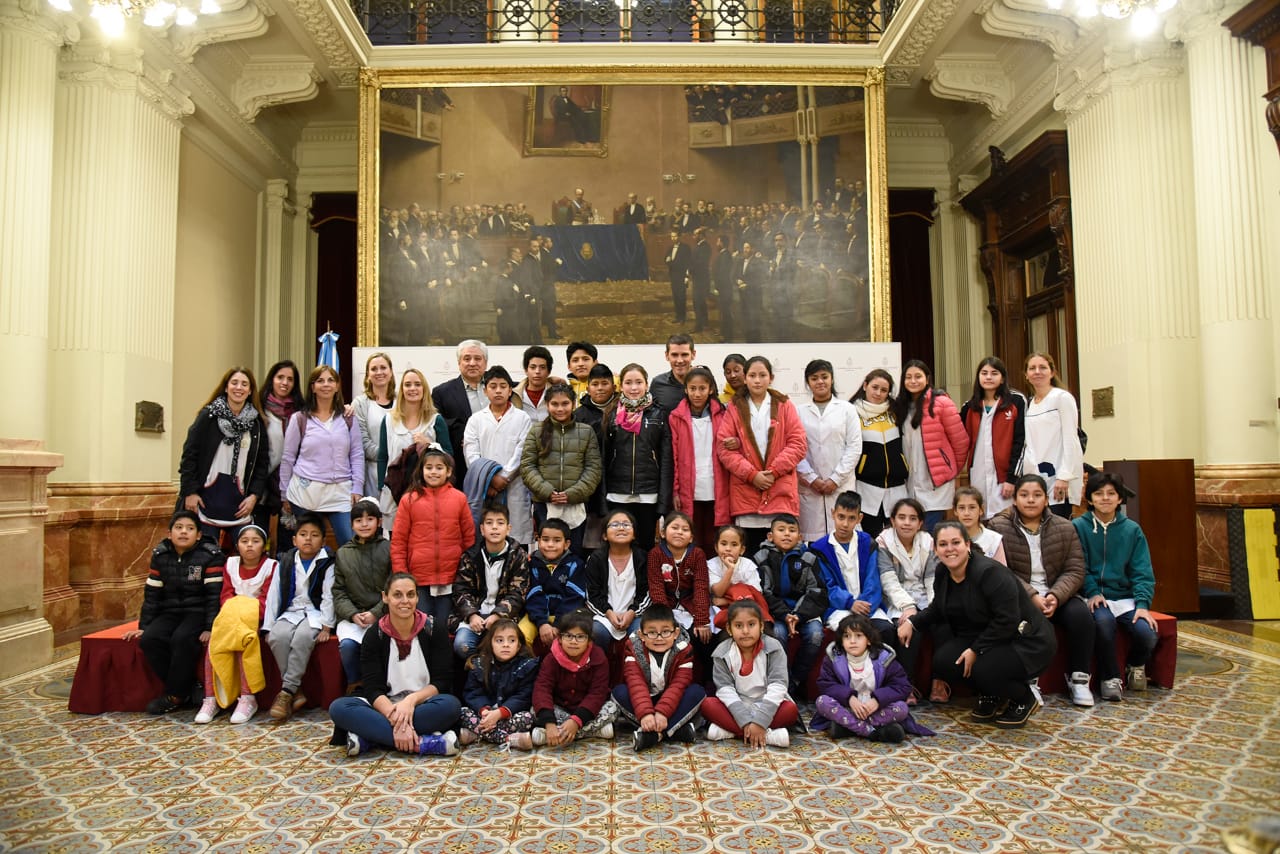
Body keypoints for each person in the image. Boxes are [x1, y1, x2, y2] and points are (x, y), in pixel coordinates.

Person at [898, 521, 1056, 728]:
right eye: (943, 544)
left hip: (1025, 640)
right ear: (935, 549)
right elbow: (938, 608)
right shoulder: (943, 573)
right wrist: (912, 622)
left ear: (968, 545)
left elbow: (1007, 620)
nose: (950, 549)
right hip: (987, 637)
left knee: (980, 666)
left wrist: (975, 649)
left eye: (956, 542)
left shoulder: (989, 572)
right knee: (945, 662)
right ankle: (992, 693)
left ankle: (1024, 697)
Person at [328, 572, 463, 757]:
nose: (405, 601)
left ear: (417, 597)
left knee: (451, 706)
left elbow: (442, 681)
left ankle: (371, 737)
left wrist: (410, 701)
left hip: (422, 703)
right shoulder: (374, 635)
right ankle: (423, 744)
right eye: (397, 595)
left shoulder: (434, 628)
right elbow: (372, 688)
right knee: (339, 708)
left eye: (410, 594)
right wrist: (396, 717)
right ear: (385, 597)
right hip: (386, 705)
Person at [989, 474, 1094, 706]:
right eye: (1024, 495)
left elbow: (1075, 569)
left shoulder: (1065, 527)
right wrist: (1032, 596)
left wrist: (1056, 595)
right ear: (1014, 500)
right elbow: (1002, 571)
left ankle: (1079, 679)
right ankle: (1029, 681)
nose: (1030, 500)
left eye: (1037, 495)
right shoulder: (998, 527)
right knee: (1024, 624)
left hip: (1058, 594)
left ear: (1046, 500)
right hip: (1020, 596)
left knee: (1082, 617)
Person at [122, 510, 225, 715]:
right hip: (169, 612)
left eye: (189, 528)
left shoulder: (210, 556)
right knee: (150, 639)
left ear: (198, 535)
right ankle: (187, 689)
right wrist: (144, 627)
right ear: (170, 534)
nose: (183, 532)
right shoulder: (160, 555)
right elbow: (152, 595)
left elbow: (214, 596)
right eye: (178, 528)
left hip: (198, 611)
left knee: (182, 639)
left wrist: (209, 627)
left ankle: (175, 695)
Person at [390, 447, 475, 689]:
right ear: (421, 470)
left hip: (451, 579)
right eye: (429, 467)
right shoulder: (409, 499)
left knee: (445, 633)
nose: (434, 471)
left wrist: (465, 574)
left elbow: (468, 539)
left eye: (439, 467)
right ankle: (420, 682)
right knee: (422, 631)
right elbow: (399, 541)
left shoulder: (459, 498)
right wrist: (402, 576)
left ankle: (447, 683)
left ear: (449, 471)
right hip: (420, 581)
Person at [1073, 471, 1158, 700]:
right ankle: (1109, 677)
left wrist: (1142, 603)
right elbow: (1079, 565)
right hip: (1093, 595)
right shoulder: (1078, 527)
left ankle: (1135, 664)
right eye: (1098, 494)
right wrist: (1091, 592)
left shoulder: (1132, 530)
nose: (1105, 498)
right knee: (1103, 623)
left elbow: (1142, 571)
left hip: (1125, 597)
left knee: (1146, 632)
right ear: (1089, 499)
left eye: (1111, 493)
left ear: (1120, 498)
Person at [717, 355, 808, 554]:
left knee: (780, 557)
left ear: (771, 377)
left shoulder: (784, 405)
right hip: (746, 493)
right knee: (749, 557)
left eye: (762, 375)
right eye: (752, 375)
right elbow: (724, 448)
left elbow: (798, 443)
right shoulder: (735, 407)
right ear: (745, 378)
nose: (757, 380)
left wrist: (773, 472)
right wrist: (752, 475)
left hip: (779, 491)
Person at [195, 523, 277, 724]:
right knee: (215, 642)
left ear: (263, 545)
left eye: (255, 541)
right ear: (237, 545)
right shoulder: (230, 564)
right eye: (244, 541)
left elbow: (268, 600)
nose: (250, 546)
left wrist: (242, 611)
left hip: (254, 617)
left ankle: (248, 697)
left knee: (244, 640)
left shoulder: (271, 566)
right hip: (230, 616)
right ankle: (211, 697)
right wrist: (235, 613)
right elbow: (226, 596)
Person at [178, 367, 271, 542]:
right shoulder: (208, 416)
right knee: (206, 556)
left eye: (244, 384)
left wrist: (254, 496)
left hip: (240, 504)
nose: (239, 388)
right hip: (205, 501)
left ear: (250, 391)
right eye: (234, 383)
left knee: (249, 552)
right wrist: (190, 492)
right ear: (226, 387)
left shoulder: (257, 424)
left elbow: (261, 463)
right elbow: (190, 454)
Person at [509, 608, 618, 749]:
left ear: (589, 640)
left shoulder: (598, 657)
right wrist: (549, 724)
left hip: (587, 711)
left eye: (580, 637)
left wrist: (576, 721)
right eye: (568, 636)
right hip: (560, 709)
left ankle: (551, 736)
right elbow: (542, 689)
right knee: (535, 710)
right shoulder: (551, 658)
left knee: (612, 708)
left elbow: (597, 693)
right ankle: (594, 731)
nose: (574, 641)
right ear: (559, 638)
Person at [814, 614, 933, 742]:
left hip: (875, 708)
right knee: (822, 702)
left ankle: (848, 727)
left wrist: (877, 700)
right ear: (841, 641)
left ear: (869, 640)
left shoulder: (884, 659)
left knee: (902, 708)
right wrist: (849, 699)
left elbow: (902, 686)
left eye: (858, 636)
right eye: (847, 636)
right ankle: (872, 732)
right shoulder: (834, 659)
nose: (852, 641)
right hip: (848, 707)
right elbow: (826, 685)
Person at [279, 366, 363, 546]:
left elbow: (356, 454)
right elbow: (288, 458)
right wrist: (284, 493)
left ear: (337, 386)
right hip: (306, 493)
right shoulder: (299, 418)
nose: (326, 384)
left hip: (340, 492)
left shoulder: (348, 418)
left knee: (349, 545)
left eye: (330, 380)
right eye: (320, 381)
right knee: (310, 546)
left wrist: (358, 487)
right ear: (312, 387)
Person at [262, 514, 335, 721]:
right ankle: (297, 690)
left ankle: (286, 692)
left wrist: (327, 626)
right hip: (291, 611)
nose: (308, 539)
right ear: (294, 539)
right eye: (303, 534)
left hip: (315, 613)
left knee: (303, 638)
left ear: (323, 541)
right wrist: (268, 627)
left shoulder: (327, 563)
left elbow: (329, 596)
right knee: (278, 637)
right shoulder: (285, 561)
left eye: (314, 535)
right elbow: (274, 595)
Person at [752, 513, 828, 698]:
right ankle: (783, 683)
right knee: (777, 634)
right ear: (770, 536)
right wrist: (785, 615)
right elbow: (763, 592)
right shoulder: (762, 557)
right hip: (776, 613)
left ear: (800, 537)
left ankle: (794, 681)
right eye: (781, 530)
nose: (787, 534)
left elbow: (817, 591)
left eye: (792, 530)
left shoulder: (809, 558)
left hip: (804, 612)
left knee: (816, 634)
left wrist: (798, 615)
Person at [703, 600, 797, 747]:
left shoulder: (773, 647)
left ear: (761, 625)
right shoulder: (722, 653)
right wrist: (746, 721)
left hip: (767, 704)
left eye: (751, 625)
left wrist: (760, 721)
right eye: (738, 626)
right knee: (708, 704)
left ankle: (734, 732)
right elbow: (725, 690)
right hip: (738, 705)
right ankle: (766, 735)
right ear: (729, 629)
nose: (745, 631)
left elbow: (778, 686)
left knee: (790, 710)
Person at [522, 382, 602, 554]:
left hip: (576, 504)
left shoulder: (586, 432)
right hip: (545, 504)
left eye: (565, 403)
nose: (560, 409)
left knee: (574, 554)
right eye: (554, 404)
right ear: (547, 405)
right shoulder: (536, 431)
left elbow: (593, 468)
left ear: (574, 404)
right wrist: (548, 492)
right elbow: (527, 466)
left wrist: (572, 494)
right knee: (548, 552)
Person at [612, 604, 705, 751]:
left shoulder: (684, 649)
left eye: (666, 632)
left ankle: (654, 736)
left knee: (697, 692)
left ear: (675, 633)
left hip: (672, 703)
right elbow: (636, 683)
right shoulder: (633, 647)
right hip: (643, 699)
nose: (659, 638)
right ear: (642, 635)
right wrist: (646, 714)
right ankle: (676, 730)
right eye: (652, 633)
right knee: (619, 692)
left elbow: (678, 685)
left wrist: (662, 713)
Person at [602, 363, 673, 550]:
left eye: (639, 382)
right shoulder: (611, 415)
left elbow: (666, 458)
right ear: (620, 386)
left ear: (647, 384)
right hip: (618, 492)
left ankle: (644, 580)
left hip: (648, 493)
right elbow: (603, 457)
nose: (634, 388)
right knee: (618, 545)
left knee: (646, 545)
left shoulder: (659, 414)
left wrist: (664, 501)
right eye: (628, 382)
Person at [463, 366, 535, 546]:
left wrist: (504, 477)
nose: (498, 390)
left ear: (510, 390)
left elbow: (523, 451)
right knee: (487, 536)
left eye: (503, 386)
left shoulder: (522, 418)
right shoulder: (476, 420)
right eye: (493, 386)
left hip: (514, 486)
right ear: (485, 390)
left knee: (516, 539)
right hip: (484, 488)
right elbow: (471, 454)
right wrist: (489, 480)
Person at [452, 503, 534, 659]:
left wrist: (498, 614)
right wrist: (472, 615)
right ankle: (481, 676)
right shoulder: (470, 556)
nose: (495, 527)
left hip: (505, 616)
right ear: (482, 529)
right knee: (462, 645)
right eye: (489, 523)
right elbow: (461, 590)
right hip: (476, 615)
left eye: (500, 523)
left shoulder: (518, 555)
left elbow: (518, 593)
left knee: (509, 647)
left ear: (508, 528)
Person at [895, 360, 968, 533]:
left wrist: (949, 470)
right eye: (908, 377)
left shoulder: (942, 403)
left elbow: (961, 442)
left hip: (935, 484)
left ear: (927, 379)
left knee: (929, 534)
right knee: (911, 534)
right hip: (908, 483)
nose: (913, 381)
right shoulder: (900, 406)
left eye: (918, 376)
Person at [377, 368, 452, 532]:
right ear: (401, 390)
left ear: (424, 389)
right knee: (396, 541)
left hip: (428, 493)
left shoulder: (435, 420)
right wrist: (381, 487)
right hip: (394, 493)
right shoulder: (389, 420)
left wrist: (430, 444)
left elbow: (449, 456)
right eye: (407, 385)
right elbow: (382, 456)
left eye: (417, 384)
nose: (412, 389)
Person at [795, 359, 862, 542]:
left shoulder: (847, 409)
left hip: (840, 485)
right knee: (812, 543)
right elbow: (795, 449)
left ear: (832, 379)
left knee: (844, 537)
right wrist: (811, 478)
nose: (820, 382)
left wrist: (835, 479)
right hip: (810, 488)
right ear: (808, 383)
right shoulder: (798, 412)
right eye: (814, 378)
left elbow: (854, 447)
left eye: (824, 377)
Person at [876, 497, 936, 694]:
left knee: (937, 623)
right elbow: (888, 581)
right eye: (901, 517)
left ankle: (938, 682)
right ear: (892, 520)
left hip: (924, 597)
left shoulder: (928, 542)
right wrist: (908, 606)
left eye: (912, 518)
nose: (906, 523)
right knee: (906, 627)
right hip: (895, 599)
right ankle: (906, 684)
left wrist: (933, 607)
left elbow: (931, 579)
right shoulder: (884, 541)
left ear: (920, 523)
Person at [668, 366, 730, 550]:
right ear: (685, 389)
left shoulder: (723, 414)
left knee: (715, 538)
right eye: (692, 388)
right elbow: (675, 457)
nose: (697, 393)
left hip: (716, 486)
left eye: (702, 388)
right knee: (692, 539)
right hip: (689, 488)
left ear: (710, 389)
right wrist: (676, 490)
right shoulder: (675, 417)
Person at [333, 499, 392, 686]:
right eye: (359, 520)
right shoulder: (343, 553)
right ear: (351, 524)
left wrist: (376, 613)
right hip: (355, 617)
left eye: (370, 519)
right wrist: (352, 614)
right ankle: (355, 685)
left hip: (384, 614)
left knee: (382, 645)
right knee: (348, 647)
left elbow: (394, 587)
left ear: (379, 522)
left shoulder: (389, 549)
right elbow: (339, 591)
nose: (364, 524)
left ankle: (381, 687)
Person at [960, 357, 1027, 519]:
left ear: (1002, 377)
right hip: (978, 475)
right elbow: (958, 440)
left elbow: (1022, 442)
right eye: (984, 373)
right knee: (981, 520)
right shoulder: (969, 407)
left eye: (994, 373)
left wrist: (1012, 479)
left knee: (1006, 522)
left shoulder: (1016, 401)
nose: (988, 377)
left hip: (1005, 478)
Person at [811, 491, 886, 634]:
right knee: (850, 632)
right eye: (841, 517)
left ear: (860, 518)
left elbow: (873, 580)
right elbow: (827, 585)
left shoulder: (867, 543)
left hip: (868, 606)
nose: (845, 524)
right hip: (838, 608)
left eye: (851, 518)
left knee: (885, 630)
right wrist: (850, 603)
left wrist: (864, 606)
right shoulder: (820, 549)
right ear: (833, 514)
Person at [458, 618, 540, 746]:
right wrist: (484, 711)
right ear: (491, 643)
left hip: (508, 715)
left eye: (512, 640)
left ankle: (476, 734)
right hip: (484, 714)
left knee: (527, 718)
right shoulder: (479, 664)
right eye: (499, 640)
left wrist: (499, 713)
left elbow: (523, 696)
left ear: (519, 645)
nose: (506, 645)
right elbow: (473, 692)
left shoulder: (527, 666)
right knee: (462, 712)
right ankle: (508, 739)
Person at [1022, 352, 1085, 518]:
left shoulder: (1062, 398)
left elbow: (1071, 438)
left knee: (1057, 527)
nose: (1037, 371)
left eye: (1042, 367)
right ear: (1026, 375)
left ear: (1052, 372)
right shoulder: (1029, 404)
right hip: (1037, 476)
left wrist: (1064, 476)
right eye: (1032, 368)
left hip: (1059, 476)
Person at [850, 369, 908, 539]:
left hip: (897, 488)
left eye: (884, 390)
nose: (878, 393)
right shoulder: (852, 412)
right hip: (867, 489)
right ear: (865, 385)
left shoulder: (896, 411)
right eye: (874, 387)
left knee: (898, 539)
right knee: (871, 539)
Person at [585, 509, 650, 650]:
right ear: (604, 535)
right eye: (614, 524)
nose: (621, 527)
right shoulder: (595, 559)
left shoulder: (643, 558)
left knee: (640, 633)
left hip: (635, 615)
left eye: (626, 524)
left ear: (634, 534)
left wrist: (632, 612)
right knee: (597, 632)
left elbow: (647, 593)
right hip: (604, 615)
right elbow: (592, 595)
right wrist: (609, 613)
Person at [646, 512, 712, 648]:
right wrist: (666, 620)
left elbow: (701, 587)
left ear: (691, 538)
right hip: (665, 605)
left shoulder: (697, 554)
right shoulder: (655, 554)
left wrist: (701, 620)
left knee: (702, 636)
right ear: (663, 533)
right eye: (674, 528)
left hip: (691, 604)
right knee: (667, 636)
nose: (679, 532)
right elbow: (656, 588)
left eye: (685, 530)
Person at [258, 361, 306, 545]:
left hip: (291, 483)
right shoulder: (259, 408)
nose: (284, 383)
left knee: (288, 540)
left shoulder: (302, 412)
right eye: (280, 377)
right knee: (258, 537)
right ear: (272, 379)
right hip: (262, 483)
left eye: (290, 379)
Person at [525, 518, 591, 649]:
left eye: (557, 540)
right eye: (545, 539)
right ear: (538, 540)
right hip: (537, 616)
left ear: (566, 544)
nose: (550, 545)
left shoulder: (575, 564)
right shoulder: (532, 563)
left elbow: (574, 597)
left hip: (567, 616)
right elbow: (533, 594)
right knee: (522, 635)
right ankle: (529, 668)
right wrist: (542, 623)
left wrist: (558, 624)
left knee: (572, 640)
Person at [433, 340, 490, 486]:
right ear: (459, 363)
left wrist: (551, 381)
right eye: (467, 358)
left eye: (478, 358)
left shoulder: (499, 385)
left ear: (485, 362)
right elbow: (439, 430)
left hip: (497, 464)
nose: (472, 363)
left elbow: (527, 386)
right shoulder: (442, 393)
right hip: (460, 469)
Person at [574, 363, 617, 550]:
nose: (600, 388)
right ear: (588, 387)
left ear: (614, 387)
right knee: (588, 542)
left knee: (617, 538)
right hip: (588, 484)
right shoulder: (578, 415)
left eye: (605, 383)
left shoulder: (622, 411)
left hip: (617, 481)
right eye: (595, 384)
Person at [707, 524, 766, 632]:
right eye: (723, 544)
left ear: (742, 549)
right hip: (720, 614)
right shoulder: (711, 565)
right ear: (716, 547)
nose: (728, 549)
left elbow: (754, 596)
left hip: (748, 612)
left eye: (734, 544)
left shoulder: (748, 565)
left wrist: (726, 601)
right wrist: (730, 570)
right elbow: (718, 592)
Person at [353, 352, 396, 496]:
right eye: (374, 369)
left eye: (383, 368)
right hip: (372, 474)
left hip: (401, 471)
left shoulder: (402, 401)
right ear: (367, 375)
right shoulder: (360, 403)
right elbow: (362, 442)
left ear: (391, 372)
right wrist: (391, 455)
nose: (379, 372)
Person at [954, 486, 1006, 564]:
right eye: (961, 508)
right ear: (955, 511)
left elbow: (1003, 573)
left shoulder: (994, 540)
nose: (966, 513)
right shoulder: (948, 539)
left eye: (972, 507)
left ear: (981, 510)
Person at [650, 334, 696, 412]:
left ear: (693, 354)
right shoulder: (657, 383)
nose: (680, 360)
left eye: (684, 355)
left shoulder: (705, 381)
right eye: (674, 355)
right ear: (667, 355)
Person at [514, 345, 554, 423]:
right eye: (533, 367)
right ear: (526, 370)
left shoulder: (557, 393)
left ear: (549, 371)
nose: (537, 371)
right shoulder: (514, 395)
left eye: (542, 367)